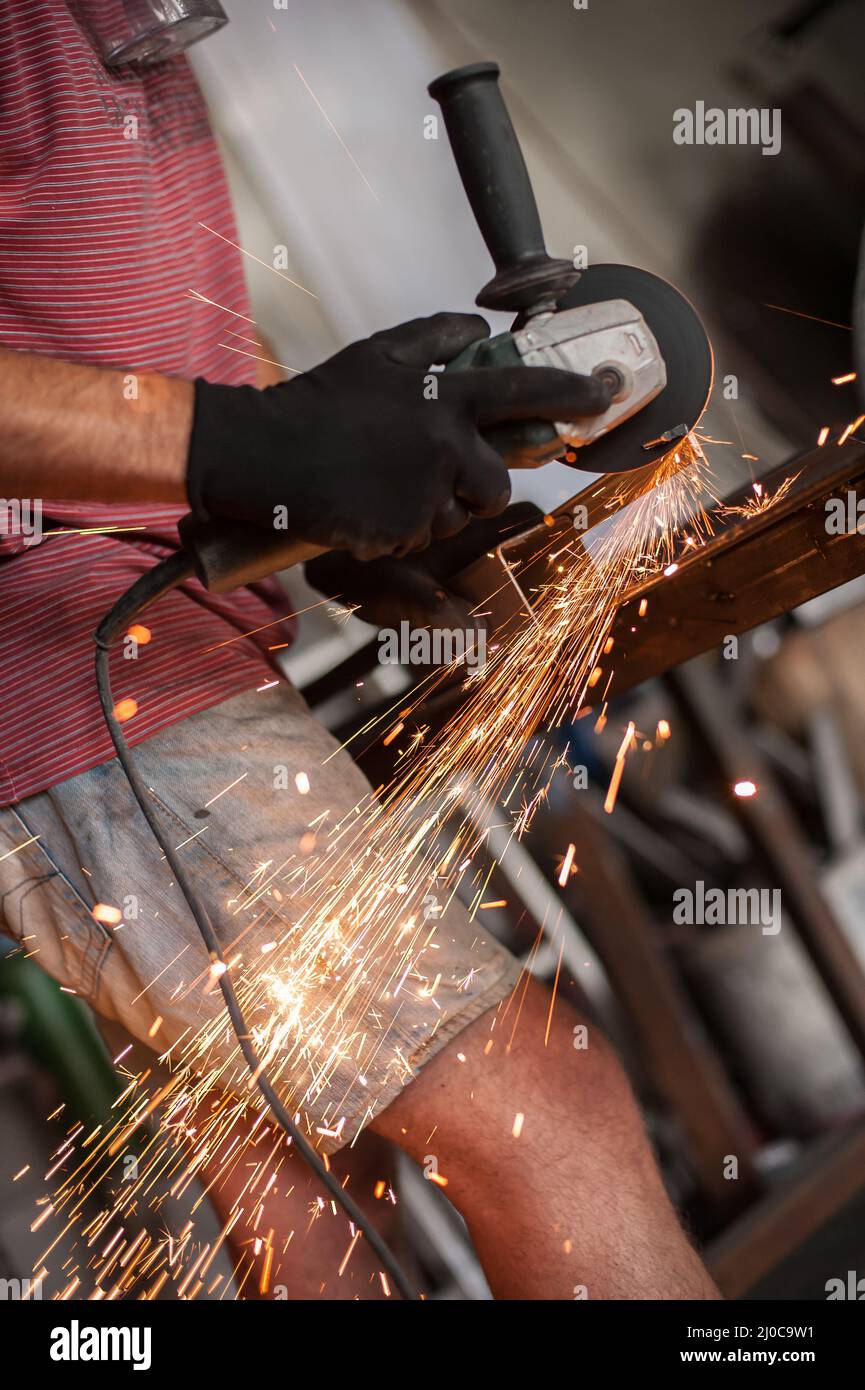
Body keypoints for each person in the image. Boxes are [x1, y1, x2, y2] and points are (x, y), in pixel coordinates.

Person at [0, 2, 717, 1299]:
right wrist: (254, 455)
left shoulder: (131, 29)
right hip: (70, 668)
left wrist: (318, 496)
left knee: (298, 1195)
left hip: (162, 648)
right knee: (539, 1110)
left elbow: (142, 345)